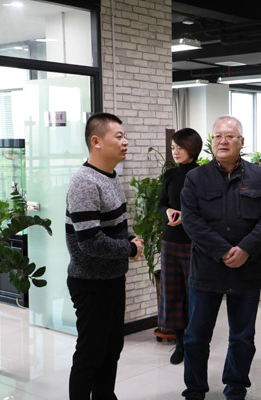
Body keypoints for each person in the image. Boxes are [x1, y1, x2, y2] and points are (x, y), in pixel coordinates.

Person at [180, 115, 261, 400]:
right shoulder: (195, 177)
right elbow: (191, 220)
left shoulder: (260, 176)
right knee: (196, 336)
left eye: (229, 136)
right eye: (217, 136)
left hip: (247, 269)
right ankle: (195, 390)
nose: (222, 141)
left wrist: (246, 248)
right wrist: (222, 250)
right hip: (207, 269)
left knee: (242, 336)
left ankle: (235, 389)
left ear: (241, 141)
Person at [65, 112, 144, 400]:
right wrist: (130, 249)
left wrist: (128, 237)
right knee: (91, 353)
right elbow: (90, 241)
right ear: (96, 141)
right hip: (90, 282)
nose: (125, 142)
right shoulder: (84, 182)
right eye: (119, 136)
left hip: (112, 277)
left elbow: (111, 227)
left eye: (125, 136)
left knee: (111, 349)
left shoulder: (110, 176)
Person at [157, 128, 203, 365]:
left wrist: (187, 217)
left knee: (192, 293)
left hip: (193, 242)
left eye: (180, 147)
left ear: (192, 148)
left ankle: (194, 341)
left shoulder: (204, 174)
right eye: (173, 147)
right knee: (172, 293)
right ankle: (179, 344)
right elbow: (161, 203)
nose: (175, 152)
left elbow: (209, 210)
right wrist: (167, 211)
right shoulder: (170, 175)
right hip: (170, 240)